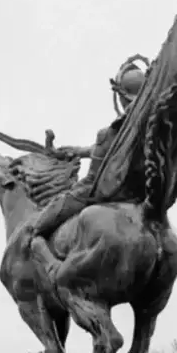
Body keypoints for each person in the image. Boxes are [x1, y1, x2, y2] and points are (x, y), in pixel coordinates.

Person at [28, 55, 148, 244]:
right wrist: (76, 151)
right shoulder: (149, 129)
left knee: (37, 228)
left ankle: (41, 250)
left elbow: (92, 180)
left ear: (121, 95)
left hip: (100, 192)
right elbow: (103, 150)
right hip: (139, 196)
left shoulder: (108, 134)